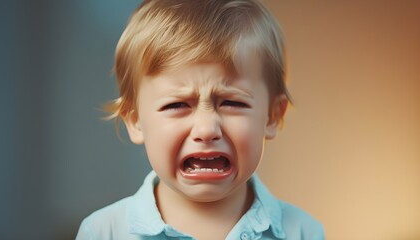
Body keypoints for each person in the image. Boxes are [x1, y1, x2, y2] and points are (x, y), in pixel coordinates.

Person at [76, 0, 325, 239]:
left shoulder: (303, 232)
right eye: (177, 104)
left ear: (272, 117)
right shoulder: (102, 233)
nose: (206, 130)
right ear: (135, 121)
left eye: (232, 102)